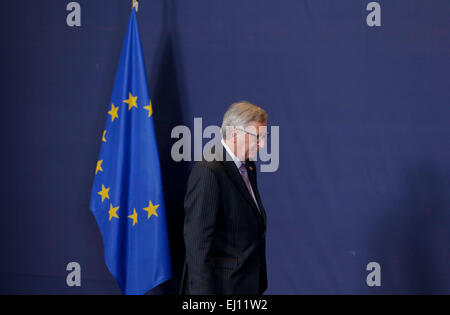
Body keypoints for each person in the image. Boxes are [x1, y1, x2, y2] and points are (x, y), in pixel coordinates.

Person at [180, 101, 268, 295]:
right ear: (235, 135)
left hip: (246, 285)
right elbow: (198, 245)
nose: (263, 144)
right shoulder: (209, 172)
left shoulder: (248, 168)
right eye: (258, 137)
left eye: (264, 137)